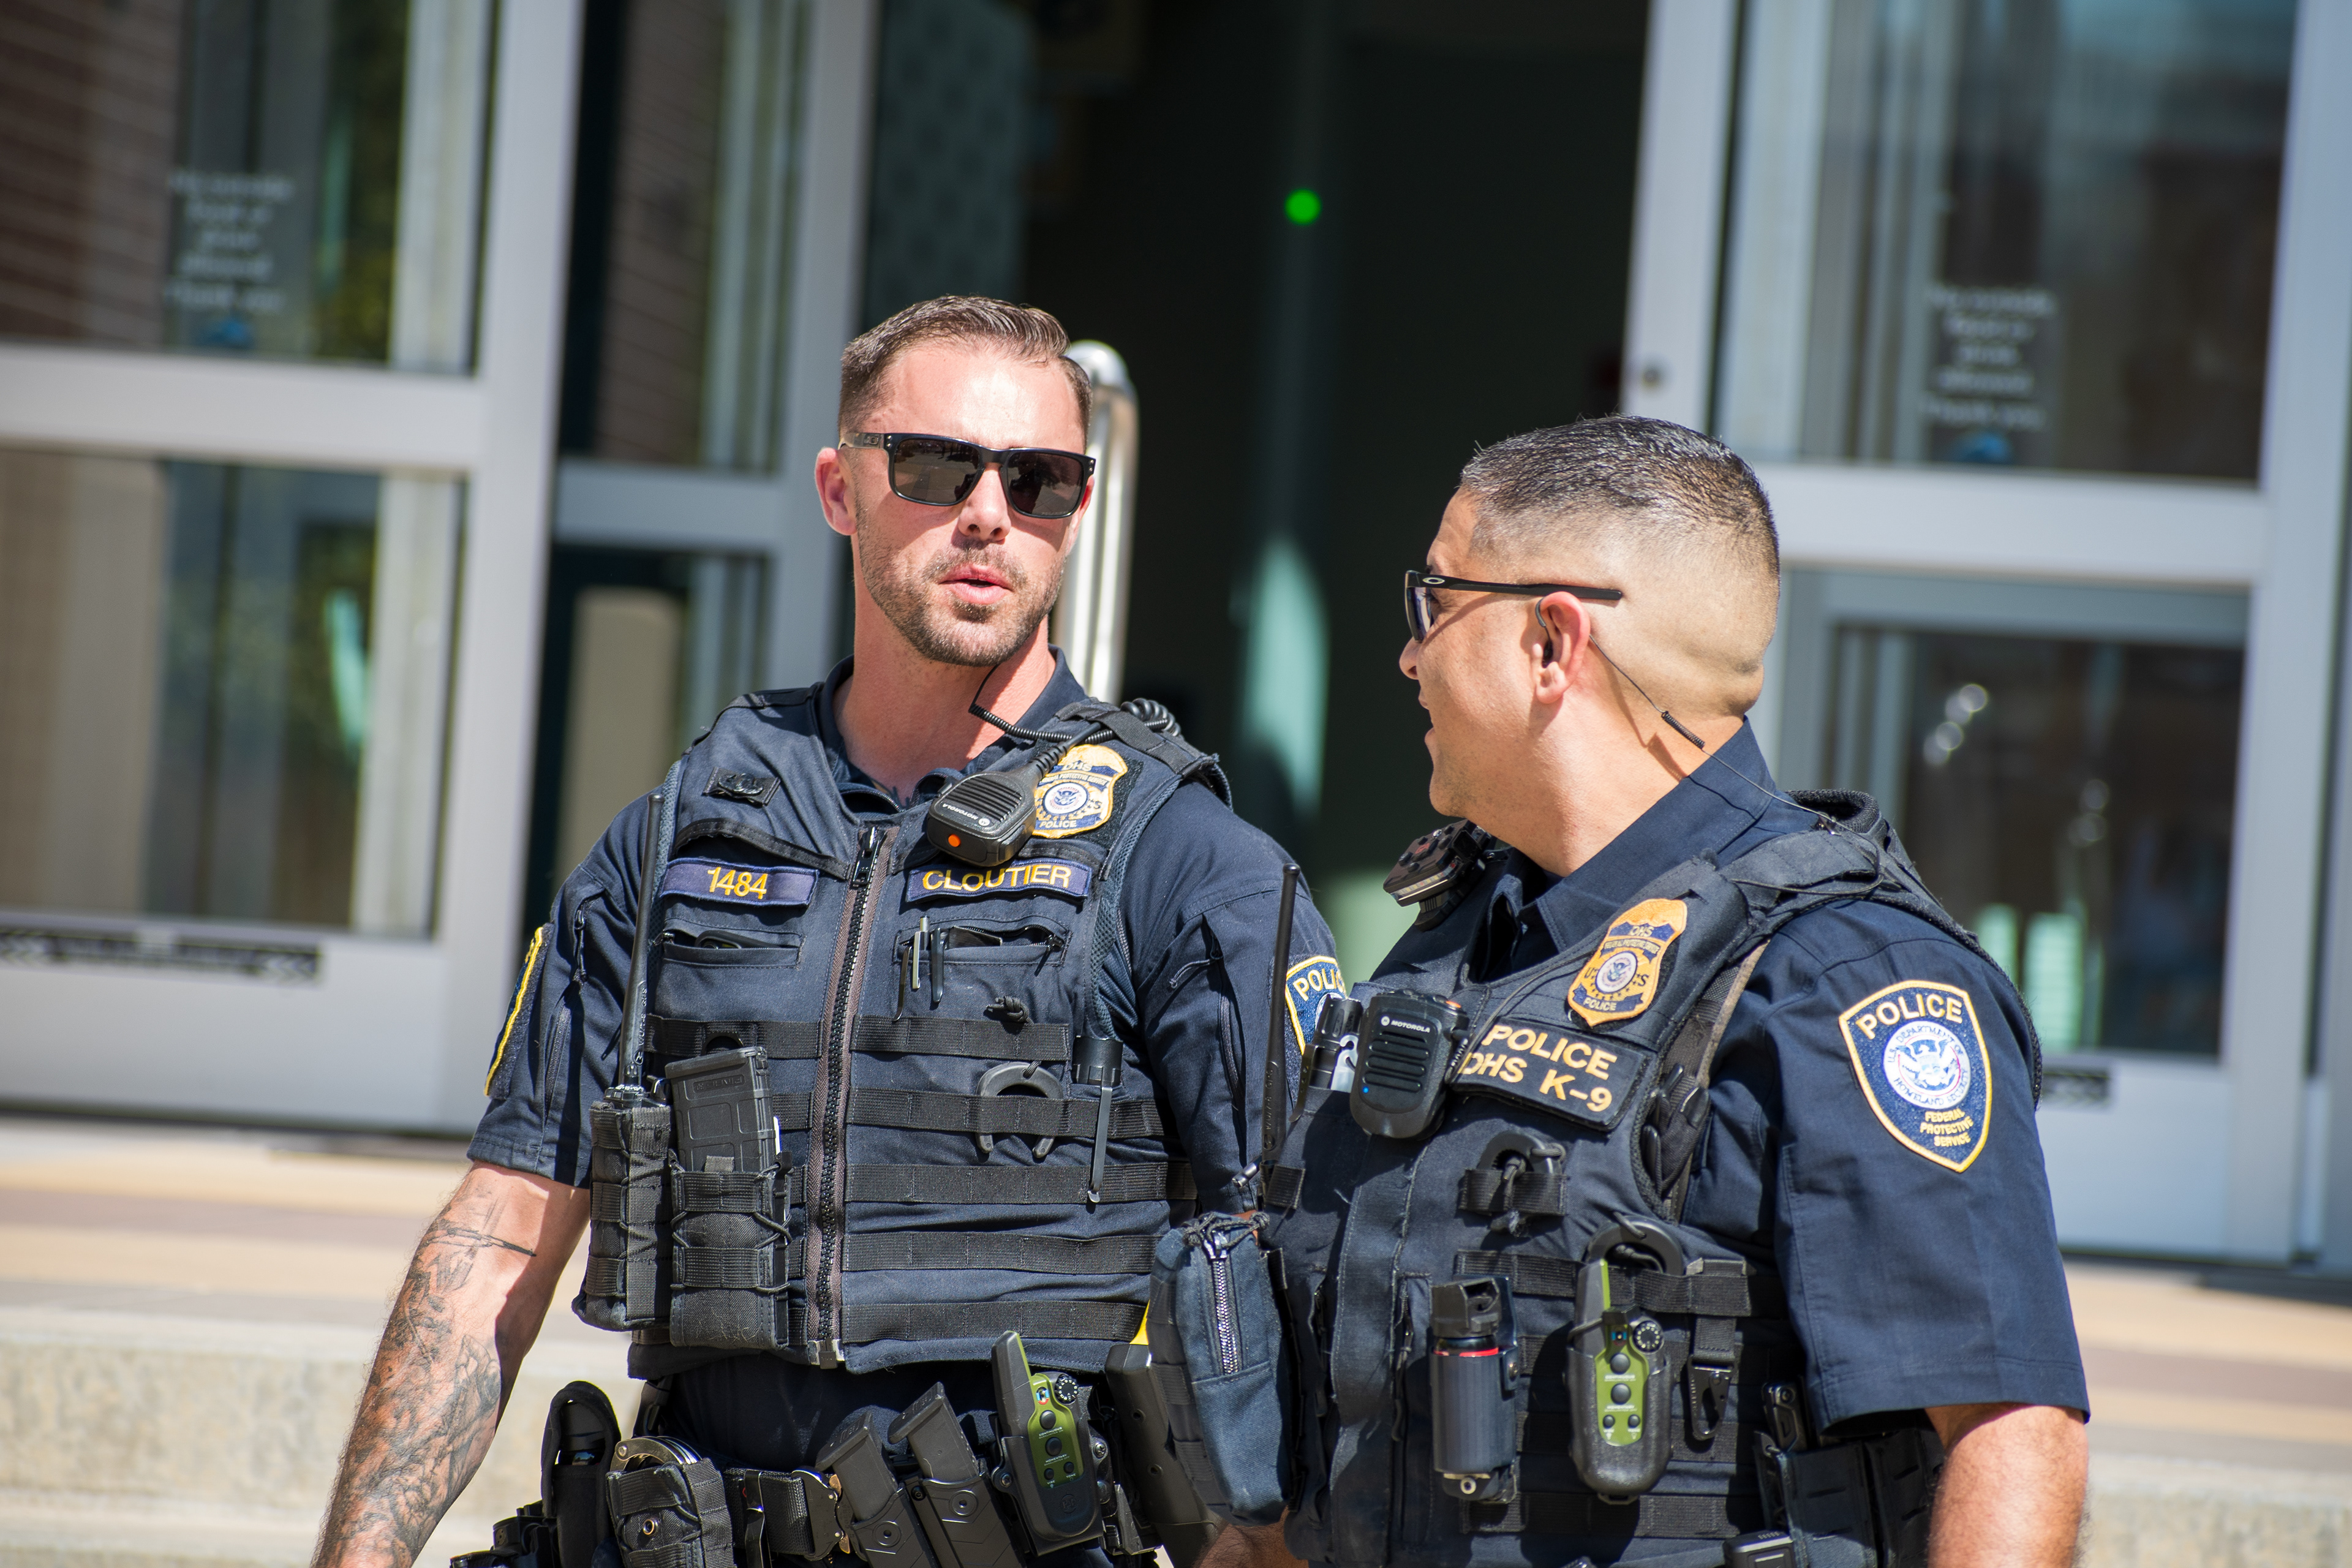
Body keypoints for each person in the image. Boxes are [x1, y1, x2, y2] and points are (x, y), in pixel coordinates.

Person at [312, 297, 1341, 1568]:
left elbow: (1302, 1299)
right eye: (935, 467)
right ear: (840, 487)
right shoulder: (686, 829)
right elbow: (503, 1225)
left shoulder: (1189, 861)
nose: (988, 515)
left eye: (1040, 482)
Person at [1199, 418, 2086, 1568]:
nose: (1410, 656)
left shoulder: (1846, 977)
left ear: (1553, 643)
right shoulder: (1458, 947)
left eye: (1435, 602)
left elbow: (2009, 1439)